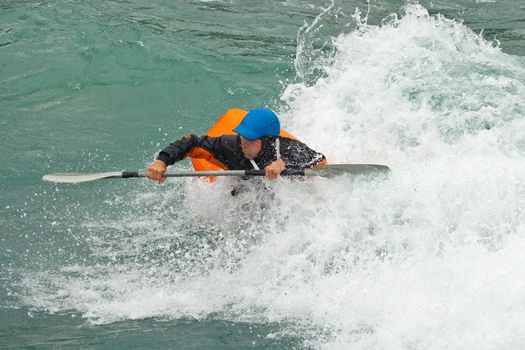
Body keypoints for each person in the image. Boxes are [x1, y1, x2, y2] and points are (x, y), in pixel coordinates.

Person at [146, 108, 327, 182]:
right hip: (242, 192)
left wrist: (283, 163)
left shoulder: (287, 148)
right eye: (242, 136)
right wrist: (162, 161)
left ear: (268, 141)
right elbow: (192, 142)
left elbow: (318, 159)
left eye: (250, 138)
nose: (243, 142)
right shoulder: (231, 146)